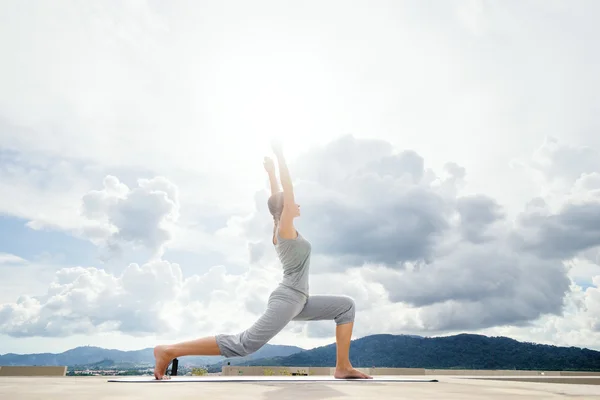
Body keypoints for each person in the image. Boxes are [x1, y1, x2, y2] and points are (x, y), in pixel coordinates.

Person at [153, 141, 371, 380]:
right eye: (291, 202)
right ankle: (169, 350)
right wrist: (280, 157)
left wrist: (270, 174)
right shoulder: (285, 231)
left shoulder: (279, 226)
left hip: (300, 299)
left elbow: (277, 199)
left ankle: (342, 367)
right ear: (286, 207)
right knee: (244, 344)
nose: (297, 204)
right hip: (288, 298)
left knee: (346, 306)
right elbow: (286, 194)